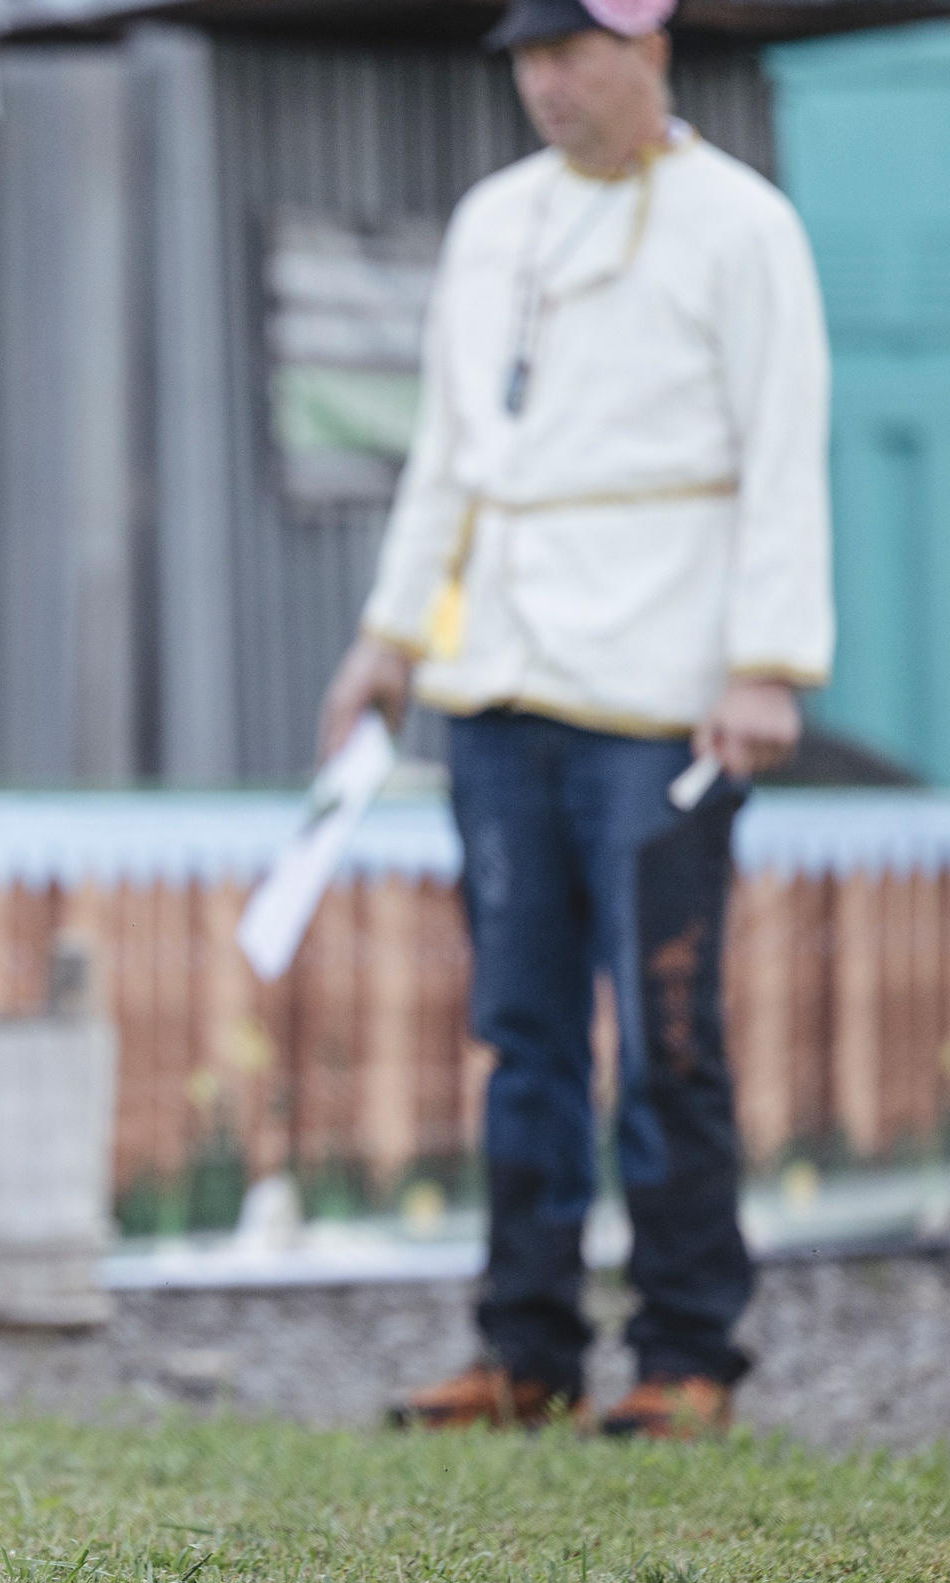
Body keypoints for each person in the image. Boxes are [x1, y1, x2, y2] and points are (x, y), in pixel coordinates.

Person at [318, 0, 831, 1438]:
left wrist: (770, 657)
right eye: (529, 55)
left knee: (668, 1027)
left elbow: (784, 448)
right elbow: (448, 450)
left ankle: (687, 1349)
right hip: (498, 677)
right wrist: (387, 633)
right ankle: (525, 1343)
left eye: (572, 50)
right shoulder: (495, 220)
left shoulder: (743, 225)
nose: (546, 81)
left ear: (648, 44)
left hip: (667, 697)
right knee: (520, 1027)